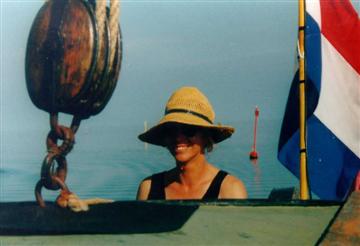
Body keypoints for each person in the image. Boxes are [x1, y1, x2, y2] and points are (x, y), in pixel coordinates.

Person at [136, 86, 247, 200]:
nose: (178, 138)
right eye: (172, 130)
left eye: (188, 129)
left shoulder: (230, 190)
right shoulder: (148, 188)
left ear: (205, 136)